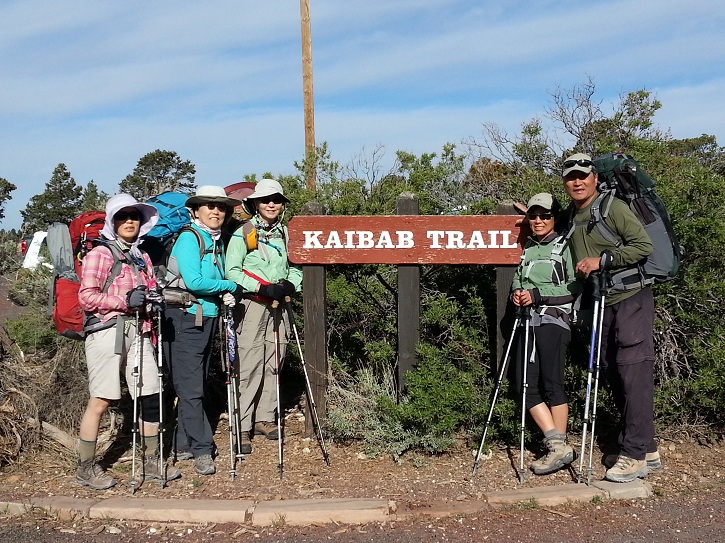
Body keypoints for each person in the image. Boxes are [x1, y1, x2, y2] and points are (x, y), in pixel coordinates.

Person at [562, 152, 660, 483]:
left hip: (631, 297)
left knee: (633, 371)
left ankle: (633, 456)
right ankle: (646, 446)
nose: (576, 181)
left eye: (582, 175)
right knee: (610, 369)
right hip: (601, 300)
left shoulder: (612, 207)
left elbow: (642, 246)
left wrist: (602, 260)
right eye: (570, 176)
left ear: (594, 178)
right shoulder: (573, 215)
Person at [77, 194, 180, 489]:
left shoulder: (142, 256)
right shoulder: (100, 254)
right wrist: (124, 301)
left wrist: (154, 300)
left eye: (134, 216)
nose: (129, 221)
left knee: (150, 394)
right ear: (112, 221)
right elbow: (86, 297)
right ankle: (85, 467)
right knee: (102, 398)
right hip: (107, 331)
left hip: (141, 330)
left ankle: (150, 462)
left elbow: (146, 294)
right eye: (123, 217)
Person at [163, 185, 242, 476]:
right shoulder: (189, 238)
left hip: (203, 318)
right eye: (209, 206)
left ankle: (181, 445)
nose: (216, 211)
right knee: (191, 386)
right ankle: (202, 450)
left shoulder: (213, 239)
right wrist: (229, 287)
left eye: (220, 207)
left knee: (191, 383)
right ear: (195, 210)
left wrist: (221, 292)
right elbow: (195, 282)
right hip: (184, 318)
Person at [225, 178, 302, 454]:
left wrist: (290, 284)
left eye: (277, 199)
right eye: (266, 199)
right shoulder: (243, 232)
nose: (272, 204)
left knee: (274, 359)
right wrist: (261, 287)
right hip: (252, 304)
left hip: (280, 304)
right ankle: (241, 425)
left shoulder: (287, 233)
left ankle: (265, 418)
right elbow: (231, 270)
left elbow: (297, 265)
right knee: (248, 362)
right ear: (255, 204)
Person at [510, 193, 580, 475]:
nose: (538, 221)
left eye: (545, 216)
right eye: (533, 216)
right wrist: (517, 292)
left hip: (555, 321)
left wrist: (537, 295)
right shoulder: (527, 247)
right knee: (524, 385)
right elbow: (519, 278)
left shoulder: (566, 246)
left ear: (555, 218)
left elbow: (575, 287)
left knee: (553, 384)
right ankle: (558, 446)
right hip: (526, 321)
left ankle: (557, 447)